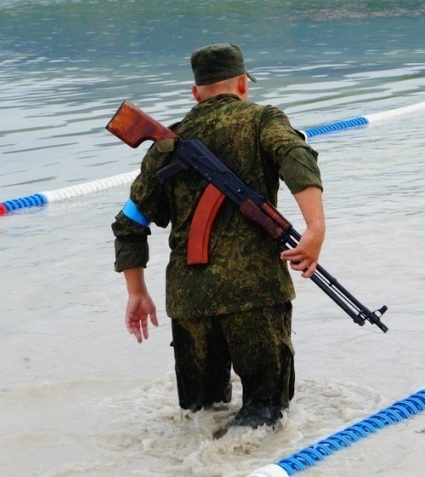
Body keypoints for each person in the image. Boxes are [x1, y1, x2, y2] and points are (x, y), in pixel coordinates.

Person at [111, 43, 325, 429]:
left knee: (199, 416)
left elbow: (129, 223)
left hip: (189, 301)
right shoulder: (263, 120)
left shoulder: (167, 144)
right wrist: (315, 229)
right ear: (243, 83)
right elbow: (296, 156)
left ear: (195, 92)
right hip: (254, 294)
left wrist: (136, 291)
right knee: (267, 418)